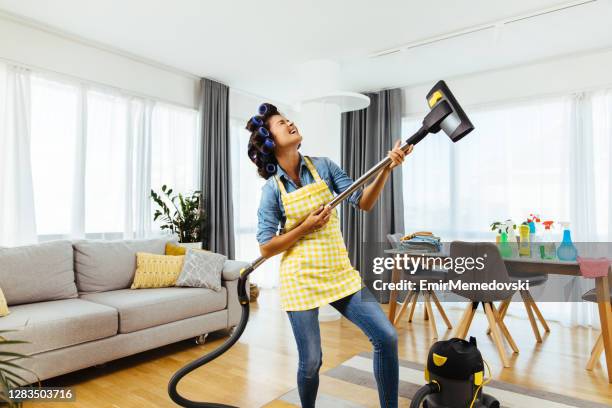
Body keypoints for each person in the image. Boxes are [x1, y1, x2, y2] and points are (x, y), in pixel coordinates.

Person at [248, 103, 412, 408]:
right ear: (270, 140)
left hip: (337, 270)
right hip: (300, 279)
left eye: (289, 119)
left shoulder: (323, 166)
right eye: (282, 123)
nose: (290, 123)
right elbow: (266, 247)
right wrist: (304, 227)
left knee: (386, 337)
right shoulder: (272, 190)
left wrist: (387, 168)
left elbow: (363, 201)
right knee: (311, 361)